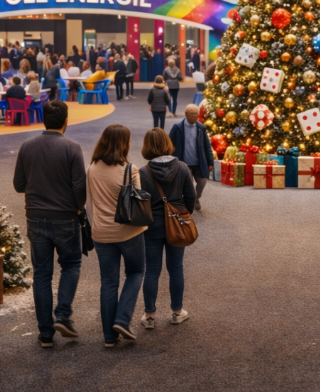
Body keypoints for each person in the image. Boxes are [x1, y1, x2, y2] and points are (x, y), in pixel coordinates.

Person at [12, 100, 86, 347]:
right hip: (65, 216)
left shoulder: (27, 146)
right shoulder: (72, 148)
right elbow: (79, 186)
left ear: (43, 120)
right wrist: (79, 207)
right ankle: (63, 314)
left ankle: (45, 334)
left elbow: (19, 185)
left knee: (42, 275)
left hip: (35, 216)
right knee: (72, 264)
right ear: (66, 121)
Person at [85, 124, 146, 347]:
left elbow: (89, 203)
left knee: (108, 283)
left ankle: (109, 338)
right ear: (124, 143)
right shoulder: (130, 170)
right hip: (128, 231)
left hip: (101, 233)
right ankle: (122, 319)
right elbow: (139, 201)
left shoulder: (91, 168)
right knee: (136, 272)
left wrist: (94, 227)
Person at [138, 128, 196, 329]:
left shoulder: (143, 172)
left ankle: (150, 316)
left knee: (152, 270)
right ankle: (177, 312)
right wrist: (182, 214)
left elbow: (139, 204)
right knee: (176, 268)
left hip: (152, 226)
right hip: (177, 225)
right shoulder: (181, 167)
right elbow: (191, 196)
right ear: (167, 143)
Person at [168, 104, 214, 211]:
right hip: (184, 163)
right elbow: (169, 144)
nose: (195, 117)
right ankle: (190, 200)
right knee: (188, 185)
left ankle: (196, 198)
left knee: (202, 182)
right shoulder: (177, 127)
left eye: (196, 114)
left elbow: (207, 146)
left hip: (198, 163)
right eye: (192, 114)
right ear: (186, 114)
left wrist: (210, 162)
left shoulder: (201, 128)